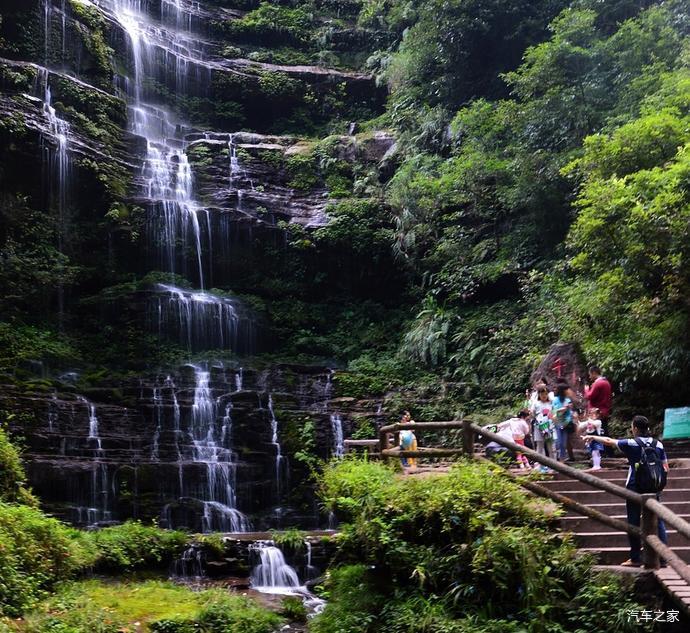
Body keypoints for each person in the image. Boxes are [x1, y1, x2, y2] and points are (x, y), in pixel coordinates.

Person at [586, 415, 669, 567]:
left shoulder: (632, 443)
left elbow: (610, 442)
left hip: (634, 486)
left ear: (635, 429)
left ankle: (636, 558)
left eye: (632, 427)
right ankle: (662, 558)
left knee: (633, 520)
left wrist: (593, 437)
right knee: (658, 521)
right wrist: (656, 483)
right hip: (654, 487)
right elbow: (665, 467)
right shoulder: (659, 445)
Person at [531, 386, 554, 471]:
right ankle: (539, 465)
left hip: (549, 427)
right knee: (539, 446)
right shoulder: (536, 403)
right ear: (539, 394)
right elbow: (532, 414)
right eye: (542, 394)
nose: (544, 395)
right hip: (539, 427)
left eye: (545, 394)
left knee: (550, 447)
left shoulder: (551, 403)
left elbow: (554, 413)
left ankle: (553, 465)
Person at [584, 365, 612, 435]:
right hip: (604, 412)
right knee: (604, 432)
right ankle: (607, 445)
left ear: (594, 373)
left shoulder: (597, 383)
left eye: (590, 375)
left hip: (596, 414)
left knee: (595, 434)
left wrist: (586, 390)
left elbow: (589, 396)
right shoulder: (606, 382)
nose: (590, 377)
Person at [551, 382, 574, 462]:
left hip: (566, 424)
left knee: (564, 443)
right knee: (559, 442)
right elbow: (554, 412)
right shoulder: (555, 400)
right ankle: (557, 458)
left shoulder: (568, 400)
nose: (568, 391)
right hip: (558, 423)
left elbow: (569, 413)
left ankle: (562, 460)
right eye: (567, 389)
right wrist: (563, 409)